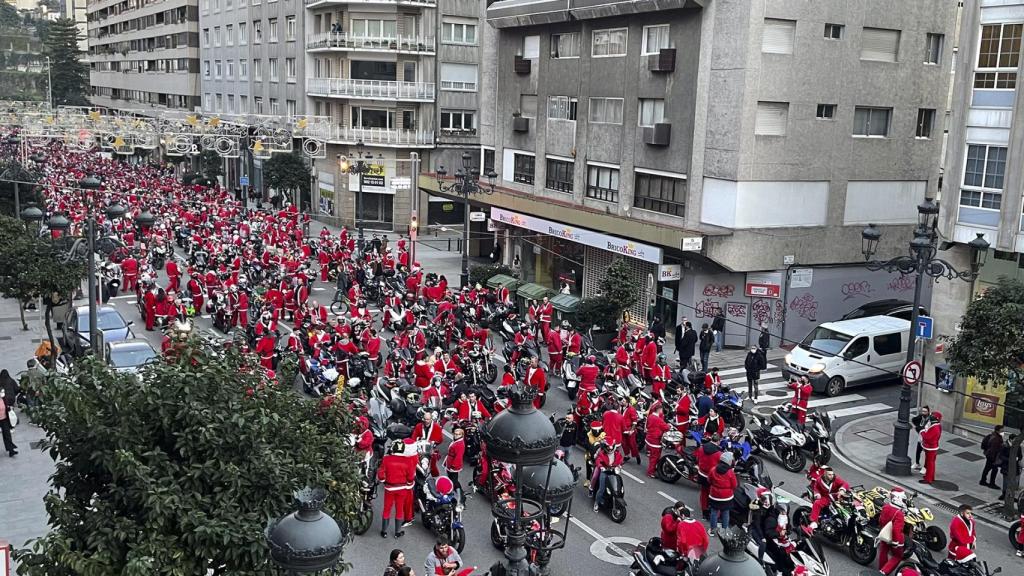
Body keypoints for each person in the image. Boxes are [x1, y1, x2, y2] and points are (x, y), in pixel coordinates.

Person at [378, 440, 415, 538]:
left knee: (387, 508)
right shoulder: (408, 461)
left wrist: (383, 480)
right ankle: (397, 532)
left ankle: (384, 531)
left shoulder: (386, 459)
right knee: (399, 509)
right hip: (402, 488)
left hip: (389, 488)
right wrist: (408, 483)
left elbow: (381, 474)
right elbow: (411, 476)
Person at [806, 465, 849, 531]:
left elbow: (845, 484)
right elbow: (816, 488)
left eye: (832, 474)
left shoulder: (836, 479)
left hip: (836, 497)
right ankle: (814, 522)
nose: (832, 476)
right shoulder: (819, 480)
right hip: (826, 498)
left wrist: (842, 490)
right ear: (825, 474)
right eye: (829, 474)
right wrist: (817, 494)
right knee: (817, 503)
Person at [877, 487, 908, 574]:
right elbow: (896, 529)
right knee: (897, 556)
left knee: (883, 552)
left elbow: (880, 520)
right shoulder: (899, 513)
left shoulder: (886, 507)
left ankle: (881, 569)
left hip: (885, 534)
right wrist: (895, 542)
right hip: (896, 538)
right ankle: (884, 571)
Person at [708, 451, 737, 533]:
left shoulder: (713, 469)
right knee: (725, 512)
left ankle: (713, 530)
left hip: (714, 495)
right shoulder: (730, 472)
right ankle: (725, 531)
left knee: (714, 512)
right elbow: (734, 485)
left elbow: (709, 480)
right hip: (727, 497)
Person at [645, 404, 671, 478]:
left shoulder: (650, 416)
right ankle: (650, 472)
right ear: (659, 410)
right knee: (655, 457)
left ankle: (654, 468)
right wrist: (668, 425)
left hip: (649, 438)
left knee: (652, 456)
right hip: (655, 440)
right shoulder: (658, 419)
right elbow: (666, 427)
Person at [444, 426, 466, 504]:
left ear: (461, 435)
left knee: (454, 481)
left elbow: (458, 456)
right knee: (453, 481)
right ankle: (460, 496)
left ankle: (461, 497)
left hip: (453, 465)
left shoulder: (460, 444)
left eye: (458, 434)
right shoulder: (457, 441)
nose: (456, 435)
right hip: (450, 463)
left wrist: (453, 466)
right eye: (455, 434)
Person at [920, 411, 942, 484]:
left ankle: (928, 479)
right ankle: (930, 476)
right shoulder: (937, 425)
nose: (931, 416)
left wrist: (922, 431)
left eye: (933, 415)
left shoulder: (935, 428)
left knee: (930, 463)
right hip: (932, 446)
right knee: (931, 462)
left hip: (931, 447)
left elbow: (927, 437)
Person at [911, 406, 931, 472]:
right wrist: (918, 427)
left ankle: (925, 467)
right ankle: (917, 463)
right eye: (922, 411)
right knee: (918, 451)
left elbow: (925, 429)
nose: (923, 413)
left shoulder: (930, 419)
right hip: (920, 437)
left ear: (928, 412)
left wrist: (918, 428)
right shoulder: (921, 417)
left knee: (926, 453)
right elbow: (913, 420)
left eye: (925, 411)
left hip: (927, 439)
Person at [0, 384, 17, 457]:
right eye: (1, 392)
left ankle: (11, 450)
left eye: (3, 392)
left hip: (4, 419)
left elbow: (6, 406)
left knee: (7, 435)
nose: (3, 393)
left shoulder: (3, 399)